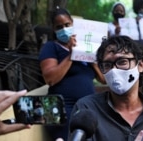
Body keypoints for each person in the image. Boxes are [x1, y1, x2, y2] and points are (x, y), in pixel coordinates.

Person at [70, 35, 143, 141]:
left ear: (140, 65)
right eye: (107, 65)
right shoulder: (86, 109)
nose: (114, 70)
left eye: (122, 62)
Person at [38, 7, 105, 141]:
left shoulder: (87, 46)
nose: (64, 29)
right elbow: (50, 79)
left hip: (87, 106)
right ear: (54, 29)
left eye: (67, 25)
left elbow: (104, 79)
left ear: (73, 25)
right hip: (59, 106)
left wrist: (90, 58)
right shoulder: (50, 47)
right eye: (59, 27)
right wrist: (71, 55)